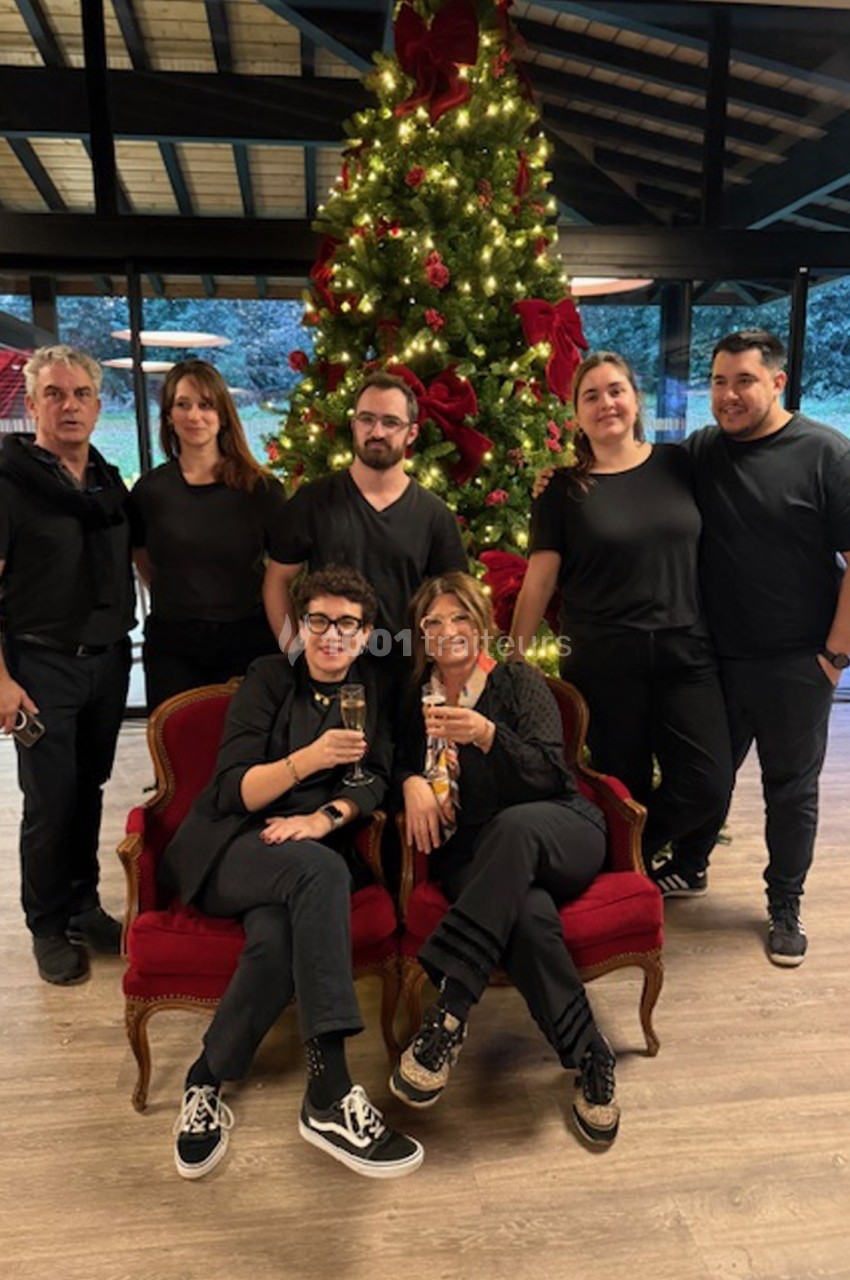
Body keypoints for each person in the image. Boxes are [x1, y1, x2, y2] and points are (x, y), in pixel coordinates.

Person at [160, 564, 423, 1180]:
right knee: (320, 873)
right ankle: (329, 1093)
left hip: (299, 851)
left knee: (278, 938)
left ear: (366, 634)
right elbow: (230, 791)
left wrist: (326, 819)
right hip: (232, 847)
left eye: (348, 624)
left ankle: (203, 1079)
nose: (333, 636)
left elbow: (375, 777)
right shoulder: (269, 679)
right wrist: (307, 761)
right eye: (320, 621)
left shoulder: (372, 688)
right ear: (302, 626)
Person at [390, 572, 619, 1148]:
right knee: (531, 922)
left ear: (481, 622)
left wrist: (489, 735)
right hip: (475, 854)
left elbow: (552, 774)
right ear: (421, 635)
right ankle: (591, 1057)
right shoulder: (410, 696)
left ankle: (449, 1013)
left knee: (515, 825)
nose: (449, 631)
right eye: (434, 622)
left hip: (561, 830)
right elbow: (388, 761)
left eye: (461, 617)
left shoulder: (517, 682)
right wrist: (412, 782)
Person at [509, 351, 732, 886]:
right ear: (577, 416)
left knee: (708, 782)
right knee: (622, 780)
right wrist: (512, 656)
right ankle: (628, 879)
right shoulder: (562, 489)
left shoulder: (680, 464)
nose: (606, 403)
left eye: (615, 390)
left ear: (636, 400)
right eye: (591, 396)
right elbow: (539, 579)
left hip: (686, 651)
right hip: (604, 657)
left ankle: (625, 852)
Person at [679, 329, 850, 966]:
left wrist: (835, 656)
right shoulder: (702, 450)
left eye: (743, 381)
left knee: (790, 789)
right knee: (706, 775)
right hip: (716, 658)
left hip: (798, 661)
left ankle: (785, 903)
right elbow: (635, 476)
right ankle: (691, 865)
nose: (727, 395)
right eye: (719, 382)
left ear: (777, 381)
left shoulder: (826, 454)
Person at [0, 345, 134, 985]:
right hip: (41, 665)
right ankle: (47, 925)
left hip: (107, 661)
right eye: (54, 393)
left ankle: (83, 905)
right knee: (49, 802)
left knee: (89, 790)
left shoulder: (106, 479)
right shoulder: (9, 483)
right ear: (32, 405)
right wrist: (0, 680)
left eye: (81, 393)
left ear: (98, 404)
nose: (69, 404)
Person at [128, 359, 289, 711]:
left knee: (249, 753)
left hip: (248, 640)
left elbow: (283, 572)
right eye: (182, 405)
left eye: (205, 404)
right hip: (174, 645)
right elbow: (145, 562)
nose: (194, 416)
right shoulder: (149, 491)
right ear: (168, 416)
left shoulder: (261, 489)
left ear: (223, 414)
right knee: (177, 753)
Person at [271, 371, 467, 656]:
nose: (377, 432)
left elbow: (456, 603)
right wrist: (295, 652)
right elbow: (277, 580)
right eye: (367, 419)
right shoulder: (313, 501)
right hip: (329, 673)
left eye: (390, 422)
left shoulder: (435, 516)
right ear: (354, 425)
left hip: (407, 677)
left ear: (411, 433)